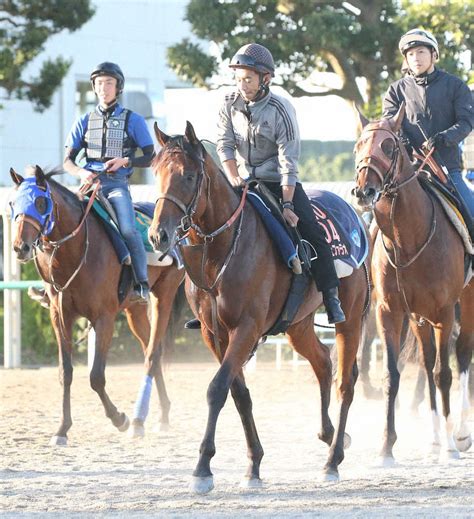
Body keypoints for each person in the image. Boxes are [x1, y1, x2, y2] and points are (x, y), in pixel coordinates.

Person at [186, 43, 345, 329]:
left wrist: (286, 203)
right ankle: (208, 301)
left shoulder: (281, 109)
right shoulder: (228, 103)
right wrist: (234, 177)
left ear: (265, 78)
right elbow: (224, 143)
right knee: (206, 226)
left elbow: (288, 160)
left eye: (248, 78)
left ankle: (331, 296)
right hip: (241, 181)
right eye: (238, 78)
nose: (242, 84)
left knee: (311, 229)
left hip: (278, 183)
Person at [63, 62, 156, 303]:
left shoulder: (133, 120)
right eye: (99, 83)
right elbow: (67, 162)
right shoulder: (83, 121)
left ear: (118, 87)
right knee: (60, 222)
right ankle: (55, 284)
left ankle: (141, 282)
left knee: (127, 228)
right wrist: (82, 173)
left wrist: (126, 161)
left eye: (109, 83)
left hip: (115, 186)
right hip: (88, 185)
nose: (104, 88)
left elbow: (150, 156)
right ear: (94, 87)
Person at [383, 28, 474, 221]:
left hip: (447, 169)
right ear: (406, 60)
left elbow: (467, 122)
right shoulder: (395, 91)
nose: (416, 58)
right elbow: (391, 125)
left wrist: (444, 138)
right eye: (410, 54)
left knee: (471, 212)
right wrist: (404, 141)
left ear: (434, 55)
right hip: (407, 169)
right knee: (374, 216)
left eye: (421, 52)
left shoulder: (456, 86)